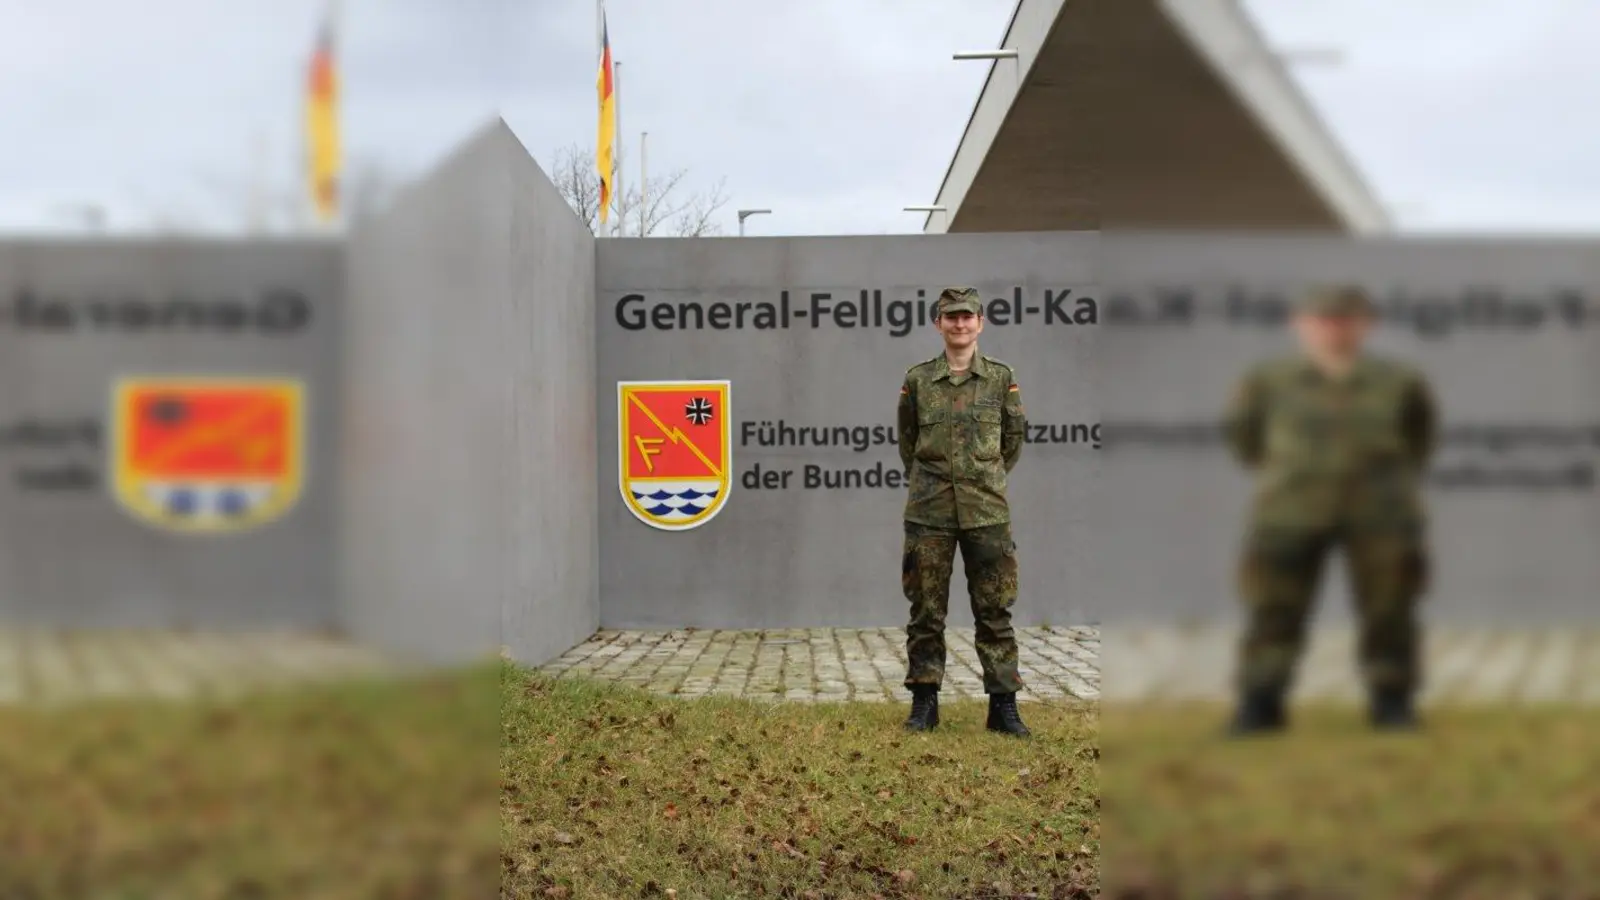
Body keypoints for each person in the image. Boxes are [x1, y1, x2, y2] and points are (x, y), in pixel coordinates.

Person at [1223, 284, 1438, 736]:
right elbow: (1245, 438)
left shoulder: (1398, 380)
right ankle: (1261, 704)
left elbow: (1419, 438)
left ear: (1364, 324)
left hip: (1381, 514)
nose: (1334, 329)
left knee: (1390, 609)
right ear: (1300, 325)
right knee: (1273, 609)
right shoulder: (1270, 380)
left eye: (1344, 320)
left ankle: (1392, 702)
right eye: (1323, 320)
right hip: (1290, 511)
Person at [896, 286, 1030, 737]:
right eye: (950, 317)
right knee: (926, 611)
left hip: (986, 513)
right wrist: (937, 482)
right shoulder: (917, 380)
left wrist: (980, 478)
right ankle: (924, 702)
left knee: (995, 610)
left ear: (980, 322)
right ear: (938, 324)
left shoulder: (1000, 377)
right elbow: (907, 443)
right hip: (929, 512)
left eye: (967, 316)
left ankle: (1003, 706)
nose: (959, 324)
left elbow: (1011, 441)